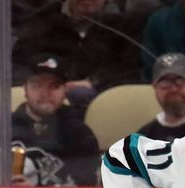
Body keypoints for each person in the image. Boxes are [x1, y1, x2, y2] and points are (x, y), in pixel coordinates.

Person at [0, 55, 100, 187]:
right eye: (37, 85)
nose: (46, 93)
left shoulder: (79, 134)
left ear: (65, 90)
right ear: (25, 89)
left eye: (54, 86)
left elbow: (89, 183)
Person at [12, 0, 145, 114]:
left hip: (102, 95)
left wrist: (93, 82)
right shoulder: (41, 22)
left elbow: (131, 69)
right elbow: (18, 64)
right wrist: (40, 84)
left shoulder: (127, 26)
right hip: (44, 96)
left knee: (80, 95)